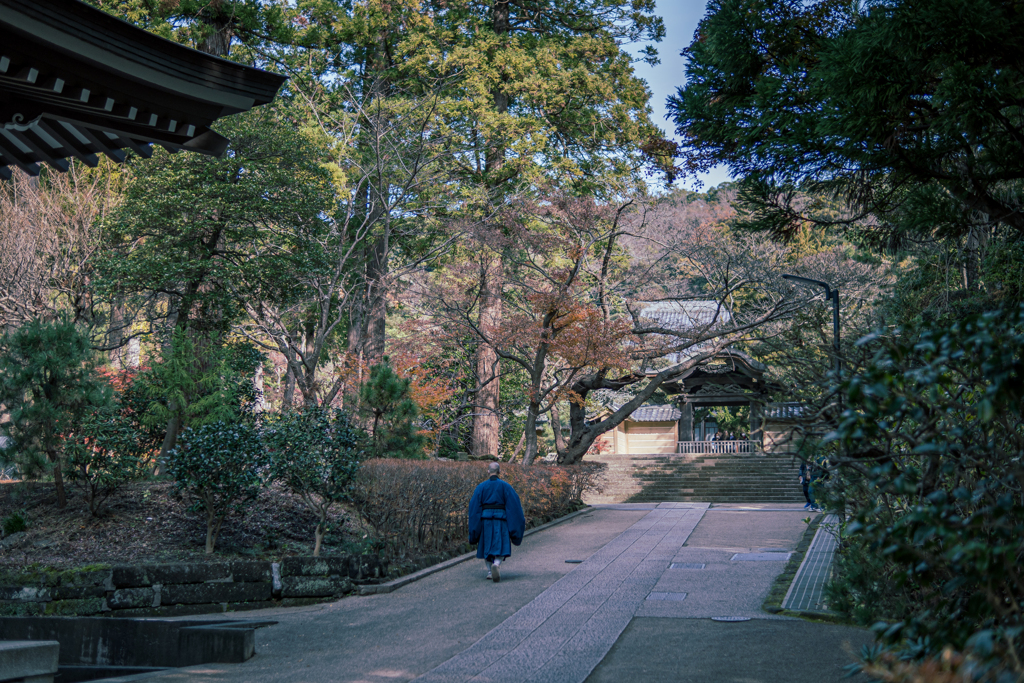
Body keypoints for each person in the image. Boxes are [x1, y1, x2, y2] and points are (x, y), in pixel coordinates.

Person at [468, 462, 526, 583]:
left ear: (488, 471)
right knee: (501, 543)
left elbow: (474, 508)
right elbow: (514, 506)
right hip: (501, 519)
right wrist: (515, 528)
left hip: (486, 520)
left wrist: (474, 528)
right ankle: (497, 563)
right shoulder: (506, 487)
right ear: (499, 472)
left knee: (486, 545)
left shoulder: (481, 487)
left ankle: (490, 571)